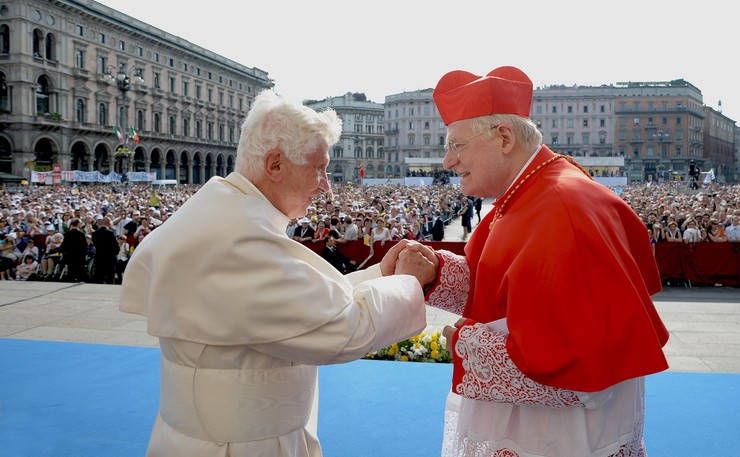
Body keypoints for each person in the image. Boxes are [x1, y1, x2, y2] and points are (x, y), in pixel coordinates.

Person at [119, 90, 436, 457]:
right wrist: (407, 282)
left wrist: (380, 274)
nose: (326, 185)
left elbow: (306, 300)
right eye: (318, 167)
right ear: (275, 164)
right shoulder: (238, 239)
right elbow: (341, 330)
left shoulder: (225, 215)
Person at [420, 66, 669, 457]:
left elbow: (574, 370)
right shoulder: (530, 189)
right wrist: (433, 272)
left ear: (503, 137)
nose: (447, 161)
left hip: (557, 436)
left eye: (457, 145)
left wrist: (465, 343)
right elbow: (500, 283)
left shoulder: (561, 207)